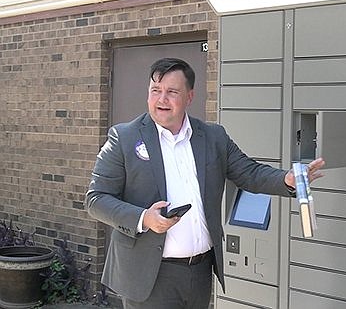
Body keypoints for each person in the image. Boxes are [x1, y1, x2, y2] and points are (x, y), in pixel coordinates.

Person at [85, 57, 325, 309]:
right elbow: (96, 199)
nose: (161, 99)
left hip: (199, 272)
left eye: (172, 92)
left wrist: (286, 179)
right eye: (155, 91)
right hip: (149, 276)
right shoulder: (124, 137)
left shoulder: (212, 136)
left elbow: (249, 172)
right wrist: (144, 218)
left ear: (189, 97)